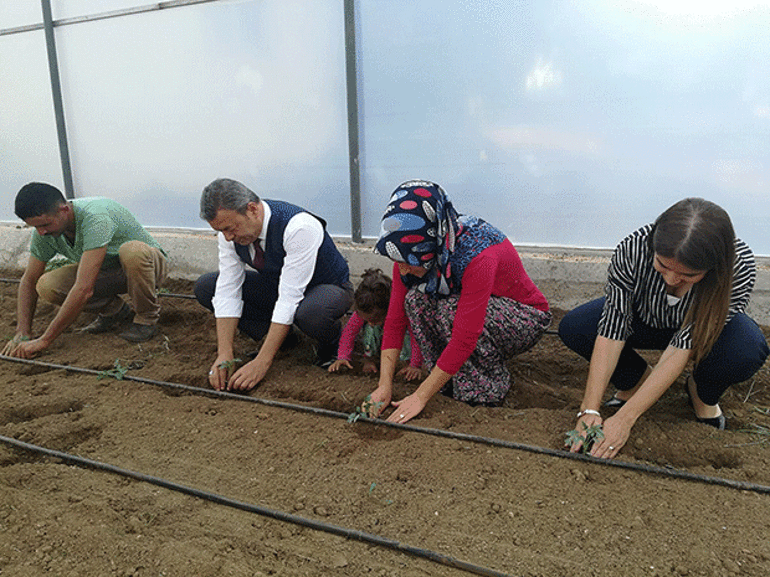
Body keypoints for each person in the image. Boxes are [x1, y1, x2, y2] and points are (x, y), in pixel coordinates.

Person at [559, 198, 769, 459]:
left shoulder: (738, 266)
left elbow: (684, 344)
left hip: (700, 331)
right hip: (645, 318)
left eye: (688, 275)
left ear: (713, 267)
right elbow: (613, 327)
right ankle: (635, 380)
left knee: (745, 349)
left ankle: (702, 393)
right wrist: (589, 409)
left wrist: (625, 419)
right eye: (663, 266)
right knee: (578, 327)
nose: (671, 279)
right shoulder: (635, 248)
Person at [364, 180, 552, 423]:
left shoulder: (478, 255)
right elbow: (395, 320)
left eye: (408, 261)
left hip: (524, 317)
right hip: (476, 312)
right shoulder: (410, 252)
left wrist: (420, 397)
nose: (402, 268)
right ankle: (446, 381)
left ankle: (486, 388)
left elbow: (465, 336)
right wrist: (384, 387)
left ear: (429, 245)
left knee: (450, 310)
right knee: (416, 301)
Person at [194, 178, 353, 392]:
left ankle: (332, 341)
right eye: (221, 231)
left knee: (311, 313)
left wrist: (262, 362)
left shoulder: (299, 227)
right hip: (277, 285)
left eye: (230, 228)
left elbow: (290, 298)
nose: (227, 237)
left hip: (326, 288)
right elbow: (227, 289)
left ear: (252, 209)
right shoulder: (231, 234)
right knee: (207, 287)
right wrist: (224, 353)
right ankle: (283, 339)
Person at [2, 182, 168, 358]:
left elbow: (84, 289)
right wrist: (22, 332)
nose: (41, 232)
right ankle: (115, 311)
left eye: (45, 225)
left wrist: (45, 340)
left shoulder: (95, 218)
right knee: (46, 285)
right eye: (35, 227)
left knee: (132, 252)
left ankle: (146, 318)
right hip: (108, 271)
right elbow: (29, 280)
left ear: (64, 210)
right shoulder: (44, 233)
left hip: (148, 268)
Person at [328, 268, 424, 380]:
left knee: (405, 333)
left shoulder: (402, 311)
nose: (371, 323)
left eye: (375, 319)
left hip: (399, 340)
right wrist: (343, 356)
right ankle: (370, 360)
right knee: (371, 329)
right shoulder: (363, 310)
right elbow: (349, 332)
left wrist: (415, 364)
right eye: (367, 319)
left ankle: (406, 363)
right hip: (379, 342)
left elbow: (415, 336)